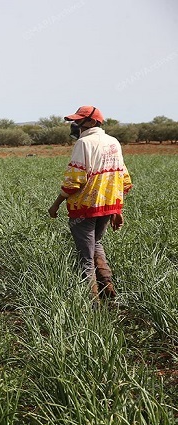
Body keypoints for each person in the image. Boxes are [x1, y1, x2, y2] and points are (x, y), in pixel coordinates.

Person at [48, 105, 132, 300]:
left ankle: (92, 303)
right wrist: (117, 208)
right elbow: (122, 177)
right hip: (107, 206)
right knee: (97, 244)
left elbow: (74, 181)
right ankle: (109, 290)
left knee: (85, 257)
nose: (76, 125)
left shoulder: (84, 143)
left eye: (79, 121)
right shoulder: (113, 142)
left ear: (92, 122)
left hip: (85, 207)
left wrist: (56, 204)